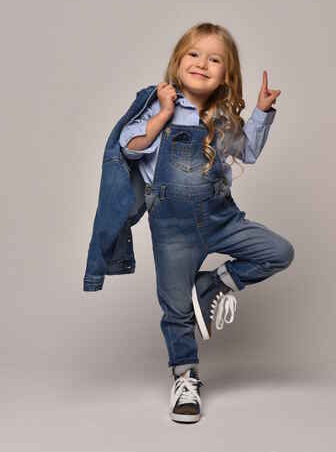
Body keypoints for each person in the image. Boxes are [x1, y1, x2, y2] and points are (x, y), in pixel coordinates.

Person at [119, 22, 295, 423]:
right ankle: (185, 376)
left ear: (225, 75)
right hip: (173, 230)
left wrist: (262, 112)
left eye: (214, 59)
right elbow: (129, 146)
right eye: (194, 54)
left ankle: (212, 284)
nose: (202, 63)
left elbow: (248, 152)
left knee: (278, 252)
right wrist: (165, 113)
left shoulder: (221, 117)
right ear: (178, 61)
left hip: (220, 218)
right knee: (176, 307)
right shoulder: (157, 107)